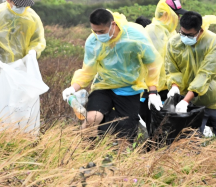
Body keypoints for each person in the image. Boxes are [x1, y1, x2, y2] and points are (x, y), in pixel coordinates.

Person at [62, 9, 161, 140]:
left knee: (125, 136)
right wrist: (73, 88)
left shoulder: (135, 38)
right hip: (104, 86)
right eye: (94, 31)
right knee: (92, 118)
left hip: (129, 89)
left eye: (101, 31)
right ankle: (80, 151)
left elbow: (152, 64)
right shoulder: (93, 41)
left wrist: (153, 92)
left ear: (113, 24)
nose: (98, 35)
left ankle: (119, 148)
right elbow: (88, 70)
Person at [166, 10, 216, 142]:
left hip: (212, 99)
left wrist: (185, 101)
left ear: (200, 30)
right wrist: (175, 86)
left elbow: (205, 74)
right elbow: (172, 69)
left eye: (190, 35)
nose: (185, 37)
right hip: (189, 103)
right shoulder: (174, 43)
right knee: (189, 142)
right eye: (182, 33)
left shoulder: (214, 42)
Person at [139, 0, 184, 126]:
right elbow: (148, 62)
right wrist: (152, 91)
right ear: (166, 14)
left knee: (164, 128)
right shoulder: (151, 31)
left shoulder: (173, 33)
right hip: (149, 91)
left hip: (167, 90)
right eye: (176, 14)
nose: (179, 18)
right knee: (148, 127)